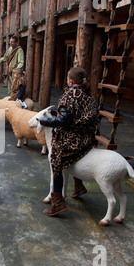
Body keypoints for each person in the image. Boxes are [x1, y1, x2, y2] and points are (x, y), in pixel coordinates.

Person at [39, 67, 99, 216]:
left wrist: (45, 121)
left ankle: (58, 202)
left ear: (70, 80)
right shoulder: (89, 96)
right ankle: (78, 186)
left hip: (74, 139)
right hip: (88, 139)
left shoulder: (69, 95)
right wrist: (56, 112)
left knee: (56, 159)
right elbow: (76, 114)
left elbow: (64, 120)